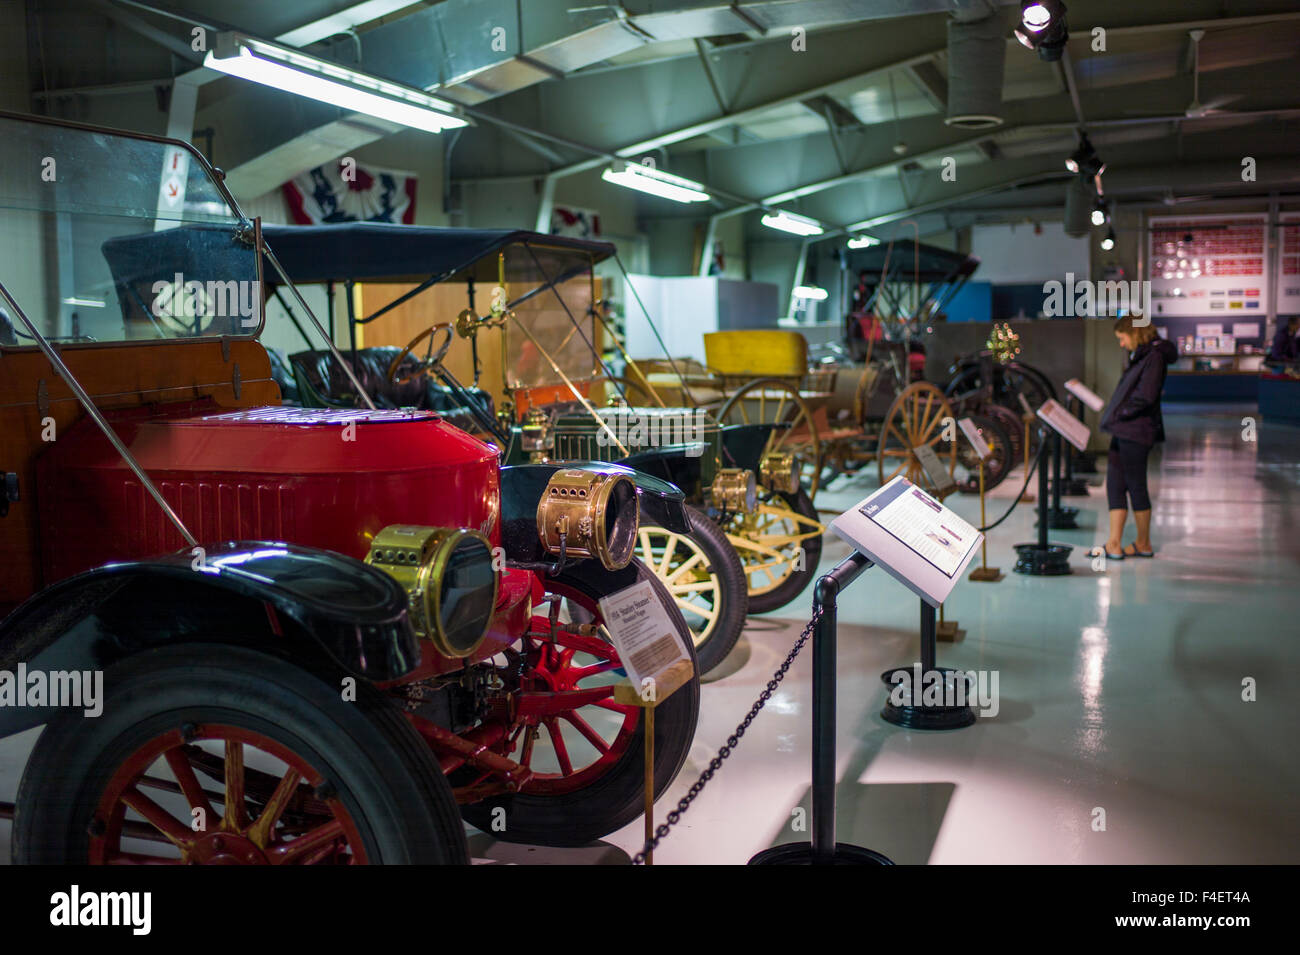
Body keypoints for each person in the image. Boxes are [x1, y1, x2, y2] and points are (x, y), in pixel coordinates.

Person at [1098, 316, 1177, 559]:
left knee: (1136, 486)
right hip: (1124, 428)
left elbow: (1146, 395)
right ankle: (1114, 543)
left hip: (1136, 429)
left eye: (1122, 338)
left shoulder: (1153, 357)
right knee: (1115, 485)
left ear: (1135, 333)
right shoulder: (1142, 355)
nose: (1121, 344)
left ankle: (1143, 543)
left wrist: (1121, 412)